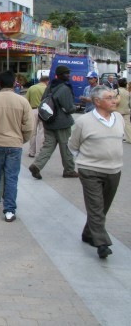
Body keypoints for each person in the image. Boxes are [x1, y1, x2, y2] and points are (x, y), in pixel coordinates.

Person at [68, 85, 124, 259]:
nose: (114, 100)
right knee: (95, 206)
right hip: (90, 170)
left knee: (103, 207)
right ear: (97, 101)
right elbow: (73, 145)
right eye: (109, 97)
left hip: (114, 170)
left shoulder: (119, 117)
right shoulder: (84, 121)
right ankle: (101, 243)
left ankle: (88, 232)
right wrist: (85, 161)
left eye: (114, 97)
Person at [0, 70, 34, 222]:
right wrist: (21, 140)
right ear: (14, 83)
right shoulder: (22, 101)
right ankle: (9, 210)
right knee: (11, 177)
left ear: (0, 83)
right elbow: (29, 126)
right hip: (15, 145)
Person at [29, 65, 79, 179]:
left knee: (48, 146)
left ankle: (37, 165)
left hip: (49, 121)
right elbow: (69, 107)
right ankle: (69, 170)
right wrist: (75, 108)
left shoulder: (50, 86)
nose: (69, 75)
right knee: (66, 147)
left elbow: (44, 101)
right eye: (67, 73)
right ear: (61, 75)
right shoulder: (65, 88)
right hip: (62, 123)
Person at [26, 75, 49, 158]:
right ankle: (40, 152)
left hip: (33, 110)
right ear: (47, 81)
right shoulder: (47, 89)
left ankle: (32, 152)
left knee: (33, 132)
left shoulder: (31, 88)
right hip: (44, 111)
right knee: (42, 132)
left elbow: (26, 101)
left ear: (40, 80)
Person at [116, 77, 131, 142]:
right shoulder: (128, 92)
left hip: (117, 110)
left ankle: (116, 138)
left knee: (116, 125)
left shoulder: (115, 91)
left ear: (118, 84)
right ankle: (130, 138)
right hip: (126, 110)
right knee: (127, 125)